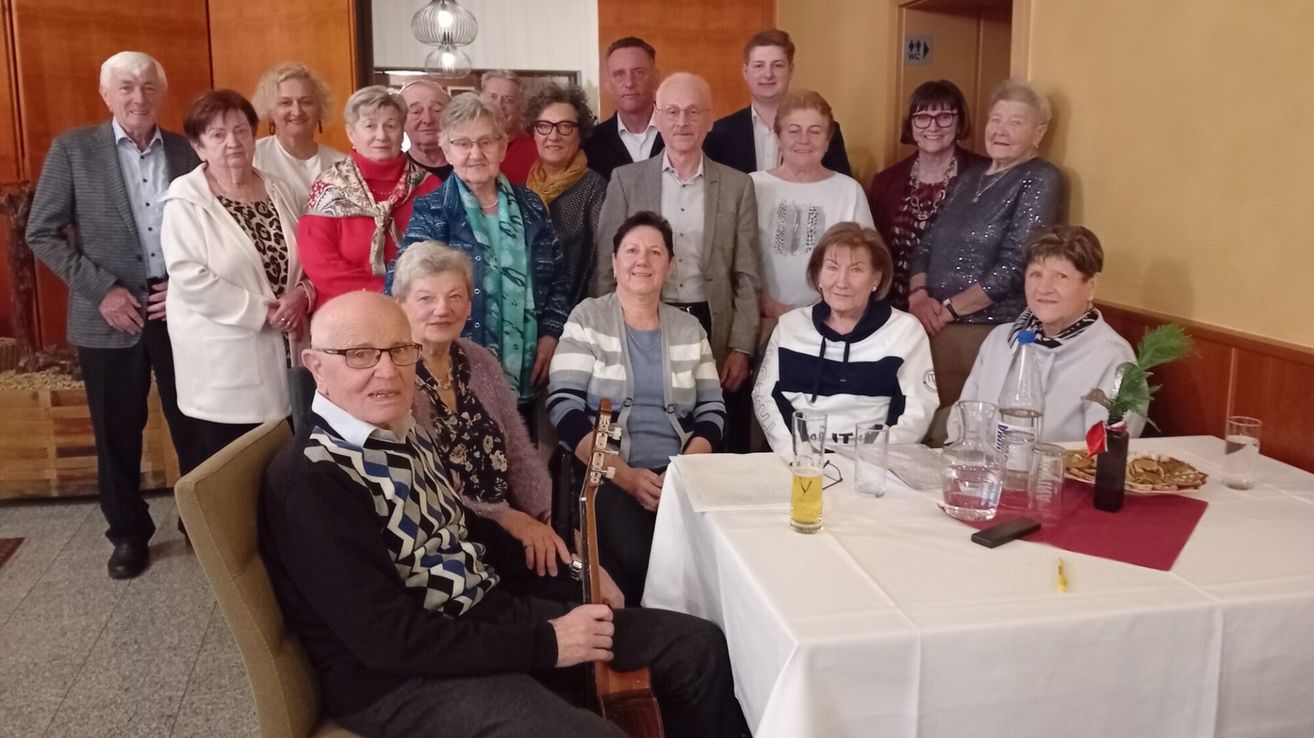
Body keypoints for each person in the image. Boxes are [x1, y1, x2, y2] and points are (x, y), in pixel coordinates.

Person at [261, 290, 748, 738]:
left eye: (399, 350)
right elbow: (388, 640)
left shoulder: (398, 426)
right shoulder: (312, 479)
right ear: (315, 365)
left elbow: (465, 532)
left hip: (486, 618)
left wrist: (578, 570)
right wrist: (548, 643)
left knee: (697, 648)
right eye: (360, 355)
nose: (387, 371)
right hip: (402, 679)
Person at [26, 51, 203, 579]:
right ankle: (128, 533)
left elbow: (209, 226)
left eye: (148, 87)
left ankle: (199, 520)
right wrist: (101, 290)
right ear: (106, 94)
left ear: (162, 93)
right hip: (108, 314)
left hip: (180, 309)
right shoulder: (74, 150)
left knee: (193, 420)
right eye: (125, 87)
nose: (137, 98)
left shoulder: (185, 150)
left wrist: (187, 283)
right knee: (116, 431)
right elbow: (42, 232)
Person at [549, 212, 725, 605]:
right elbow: (564, 407)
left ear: (670, 265)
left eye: (654, 252)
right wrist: (626, 476)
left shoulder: (689, 329)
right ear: (614, 262)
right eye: (631, 250)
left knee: (716, 556)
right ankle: (646, 645)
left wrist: (679, 474)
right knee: (639, 551)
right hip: (607, 475)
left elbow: (713, 410)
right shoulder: (587, 319)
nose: (641, 260)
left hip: (681, 475)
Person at [594, 72, 760, 452]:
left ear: (710, 119)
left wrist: (742, 347)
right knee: (651, 424)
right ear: (658, 117)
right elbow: (608, 265)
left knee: (710, 428)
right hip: (643, 320)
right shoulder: (626, 180)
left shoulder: (737, 186)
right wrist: (606, 332)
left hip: (711, 324)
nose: (682, 122)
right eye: (672, 112)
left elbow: (747, 273)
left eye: (692, 112)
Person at [390, 94, 571, 421]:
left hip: (526, 366)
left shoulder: (531, 204)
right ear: (447, 151)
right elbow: (402, 283)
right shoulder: (433, 210)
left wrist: (551, 332)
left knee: (520, 457)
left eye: (486, 141)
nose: (475, 153)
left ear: (502, 147)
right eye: (463, 143)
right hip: (455, 367)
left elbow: (558, 276)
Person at [393, 241, 569, 576]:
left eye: (455, 296)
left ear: (470, 306)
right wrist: (502, 516)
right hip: (447, 541)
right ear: (399, 304)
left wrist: (552, 518)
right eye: (426, 298)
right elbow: (422, 487)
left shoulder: (480, 361)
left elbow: (519, 455)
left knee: (595, 565)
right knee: (573, 593)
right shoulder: (394, 374)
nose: (443, 309)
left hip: (511, 525)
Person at [908, 79, 1063, 444]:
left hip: (986, 331)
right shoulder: (971, 176)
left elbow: (1016, 265)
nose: (1001, 130)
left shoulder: (1040, 177)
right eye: (996, 119)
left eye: (1015, 122)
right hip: (932, 324)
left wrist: (948, 310)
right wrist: (918, 295)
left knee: (961, 434)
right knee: (927, 429)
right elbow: (927, 241)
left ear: (1038, 131)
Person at [160, 89, 308, 461]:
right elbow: (189, 277)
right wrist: (264, 311)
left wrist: (302, 293)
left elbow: (308, 255)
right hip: (223, 367)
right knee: (228, 475)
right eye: (218, 135)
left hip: (287, 355)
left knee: (282, 466)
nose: (233, 142)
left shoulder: (281, 188)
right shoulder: (185, 199)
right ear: (198, 145)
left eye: (241, 131)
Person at [753, 223, 936, 452]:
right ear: (818, 274)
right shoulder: (790, 326)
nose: (841, 282)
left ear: (876, 279)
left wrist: (867, 460)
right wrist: (799, 455)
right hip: (798, 461)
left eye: (856, 270)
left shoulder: (905, 331)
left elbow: (916, 412)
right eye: (832, 267)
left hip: (873, 464)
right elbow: (764, 397)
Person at [958, 226, 1141, 442]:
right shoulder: (999, 340)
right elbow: (962, 420)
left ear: (1091, 286)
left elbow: (1104, 455)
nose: (1044, 288)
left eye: (1061, 276)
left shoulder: (1114, 358)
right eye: (1036, 274)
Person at [297, 86, 440, 305]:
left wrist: (413, 297)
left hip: (416, 310)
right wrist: (385, 295)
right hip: (345, 312)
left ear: (402, 131)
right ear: (351, 133)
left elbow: (442, 254)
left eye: (390, 125)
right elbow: (320, 262)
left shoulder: (429, 185)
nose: (381, 135)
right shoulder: (328, 187)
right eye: (370, 126)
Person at [751, 90, 873, 335]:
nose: (804, 140)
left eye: (815, 131)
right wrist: (767, 304)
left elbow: (865, 261)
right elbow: (737, 256)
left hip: (831, 322)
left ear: (828, 140)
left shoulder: (849, 190)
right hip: (761, 321)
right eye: (794, 131)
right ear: (778, 137)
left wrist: (828, 305)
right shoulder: (752, 186)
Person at [868, 80, 988, 310]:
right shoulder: (885, 182)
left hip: (957, 310)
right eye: (922, 117)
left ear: (959, 121)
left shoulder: (984, 175)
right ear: (911, 124)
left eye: (944, 116)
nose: (932, 127)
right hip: (894, 311)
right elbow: (876, 251)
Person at [704, 29, 851, 176]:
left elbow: (839, 189)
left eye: (778, 65)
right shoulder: (717, 135)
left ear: (791, 70)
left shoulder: (823, 132)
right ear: (745, 71)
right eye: (759, 66)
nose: (768, 74)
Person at [525, 82, 607, 308]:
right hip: (527, 314)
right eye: (544, 126)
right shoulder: (525, 187)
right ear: (533, 132)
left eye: (565, 127)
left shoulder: (595, 188)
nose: (553, 135)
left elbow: (603, 267)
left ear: (580, 134)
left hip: (577, 317)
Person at [251, 63, 347, 208]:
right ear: (270, 110)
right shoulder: (253, 158)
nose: (297, 111)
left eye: (306, 102)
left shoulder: (342, 164)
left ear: (320, 109)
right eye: (285, 103)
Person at [584, 36, 664, 180]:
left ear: (655, 78)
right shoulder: (590, 144)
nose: (629, 83)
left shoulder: (683, 134)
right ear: (608, 84)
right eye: (619, 74)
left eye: (639, 72)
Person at [480, 70, 537, 184]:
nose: (499, 106)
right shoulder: (466, 146)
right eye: (492, 97)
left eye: (508, 100)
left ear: (520, 106)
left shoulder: (536, 150)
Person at [400, 77, 453, 179]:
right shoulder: (397, 172)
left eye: (437, 110)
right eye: (416, 112)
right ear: (401, 120)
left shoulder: (468, 167)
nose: (427, 120)